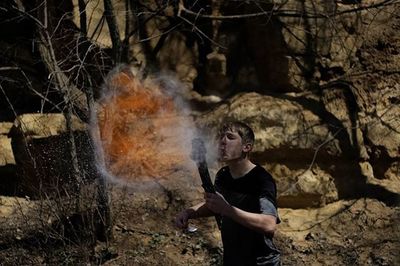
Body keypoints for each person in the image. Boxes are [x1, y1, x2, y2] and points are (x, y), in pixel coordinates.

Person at [175, 121, 281, 266]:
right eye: (221, 137)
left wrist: (227, 210)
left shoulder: (261, 179)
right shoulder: (223, 175)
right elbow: (216, 204)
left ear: (246, 147)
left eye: (231, 137)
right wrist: (189, 212)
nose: (223, 141)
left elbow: (269, 224)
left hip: (261, 263)